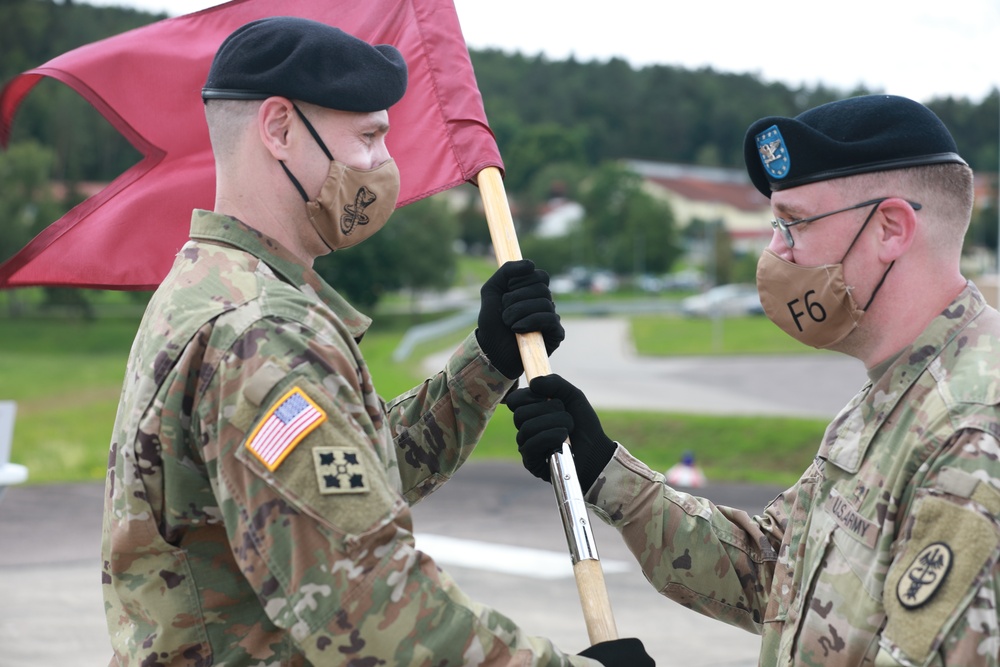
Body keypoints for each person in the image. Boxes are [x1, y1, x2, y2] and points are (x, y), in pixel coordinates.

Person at [101, 16, 654, 667]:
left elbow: (346, 479)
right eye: (367, 137)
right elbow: (367, 600)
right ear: (279, 129)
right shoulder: (262, 330)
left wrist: (487, 361)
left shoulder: (211, 286)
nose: (381, 166)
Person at [508, 94, 1000, 666]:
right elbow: (772, 573)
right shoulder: (900, 391)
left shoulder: (972, 430)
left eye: (794, 223)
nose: (774, 250)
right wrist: (601, 471)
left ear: (890, 228)